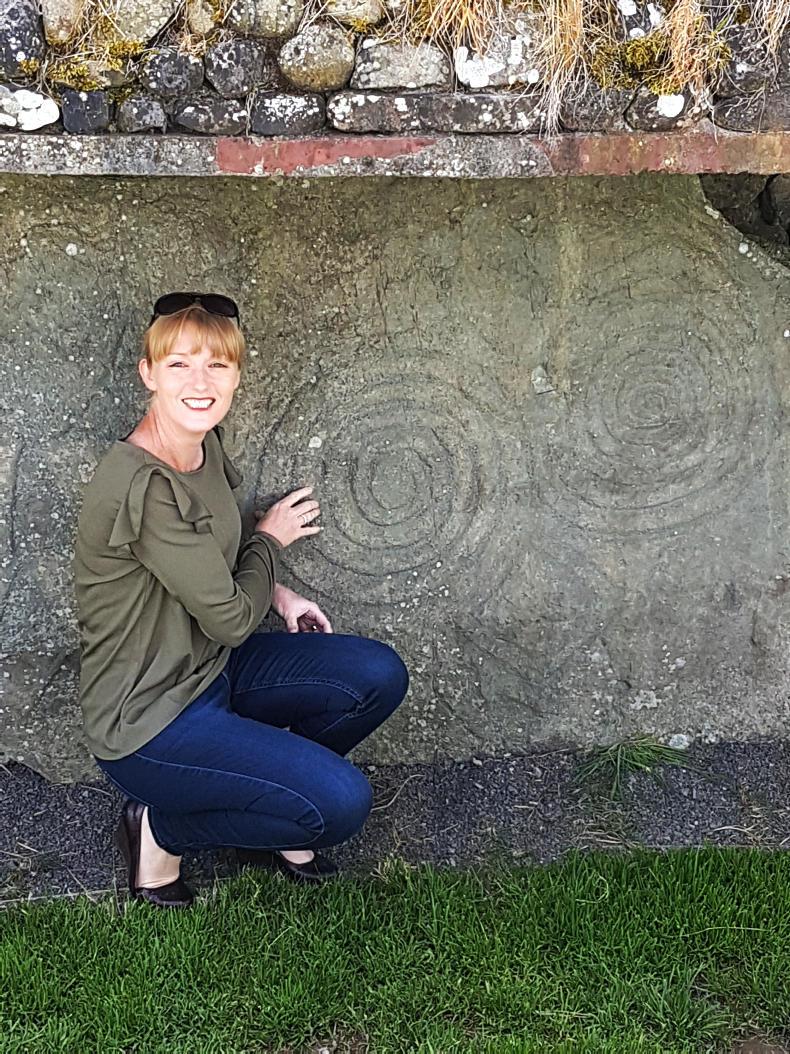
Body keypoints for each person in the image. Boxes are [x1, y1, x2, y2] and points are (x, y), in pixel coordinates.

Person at [72, 291, 409, 909]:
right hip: (150, 718)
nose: (200, 383)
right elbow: (229, 618)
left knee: (376, 674)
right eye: (178, 364)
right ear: (148, 373)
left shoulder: (202, 444)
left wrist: (274, 590)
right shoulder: (143, 485)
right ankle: (161, 829)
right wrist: (270, 544)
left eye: (217, 365)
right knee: (340, 805)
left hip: (211, 670)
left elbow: (208, 555)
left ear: (236, 374)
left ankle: (271, 808)